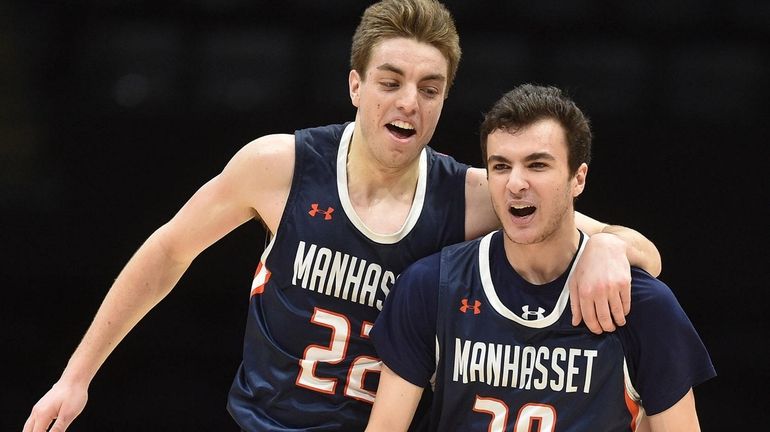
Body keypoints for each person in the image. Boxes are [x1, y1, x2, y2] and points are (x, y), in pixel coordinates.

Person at [23, 2, 663, 431]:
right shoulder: (280, 165)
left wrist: (606, 246)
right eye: (391, 81)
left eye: (431, 88)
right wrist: (75, 378)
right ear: (356, 85)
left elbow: (637, 252)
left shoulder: (472, 196)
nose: (409, 102)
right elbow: (167, 253)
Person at [365, 84, 716, 432]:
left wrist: (612, 244)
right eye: (501, 166)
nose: (516, 183)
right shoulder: (432, 286)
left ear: (578, 178)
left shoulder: (641, 303)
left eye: (536, 165)